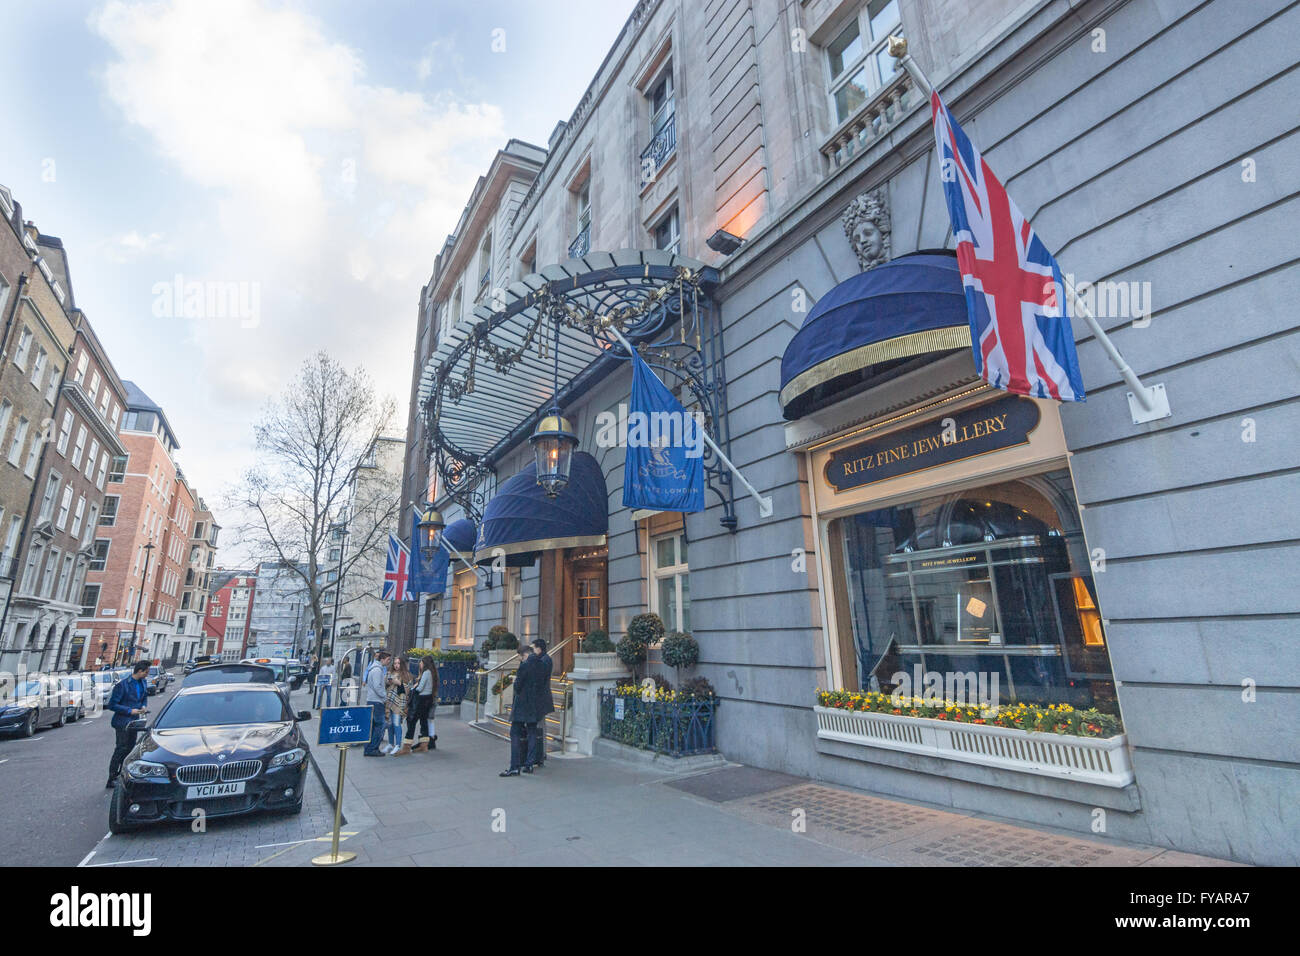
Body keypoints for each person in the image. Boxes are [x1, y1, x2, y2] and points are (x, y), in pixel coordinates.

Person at [501, 644, 544, 777]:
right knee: (532, 732)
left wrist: (516, 684)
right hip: (534, 704)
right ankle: (529, 764)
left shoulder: (525, 665)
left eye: (520, 657)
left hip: (522, 705)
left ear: (524, 654)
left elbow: (518, 686)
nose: (520, 660)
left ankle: (515, 766)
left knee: (515, 733)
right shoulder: (542, 664)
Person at [106, 661, 151, 787]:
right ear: (140, 671)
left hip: (134, 722)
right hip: (122, 722)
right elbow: (112, 705)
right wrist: (129, 710)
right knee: (121, 749)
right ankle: (112, 777)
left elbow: (144, 697)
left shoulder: (143, 682)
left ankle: (124, 774)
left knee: (131, 749)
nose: (147, 674)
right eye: (146, 672)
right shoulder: (123, 685)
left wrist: (143, 706)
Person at [402, 657, 439, 754]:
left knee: (412, 721)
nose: (420, 665)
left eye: (421, 663)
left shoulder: (426, 673)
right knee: (424, 722)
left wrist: (413, 688)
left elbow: (420, 688)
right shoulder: (432, 673)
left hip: (421, 700)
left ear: (425, 663)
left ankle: (407, 746)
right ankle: (424, 745)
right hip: (428, 699)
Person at [529, 638, 555, 769]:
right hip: (541, 697)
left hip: (541, 698)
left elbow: (539, 678)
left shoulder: (544, 660)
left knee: (539, 726)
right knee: (540, 725)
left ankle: (541, 752)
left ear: (539, 648)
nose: (532, 651)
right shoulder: (544, 659)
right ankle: (540, 752)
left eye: (533, 648)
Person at [362, 650, 392, 756]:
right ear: (382, 659)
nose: (389, 662)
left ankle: (369, 748)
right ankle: (373, 748)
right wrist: (384, 697)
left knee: (373, 725)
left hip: (372, 700)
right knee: (380, 725)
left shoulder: (374, 669)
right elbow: (377, 686)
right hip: (377, 701)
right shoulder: (377, 670)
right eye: (388, 659)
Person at [384, 657, 410, 755]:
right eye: (395, 663)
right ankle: (390, 744)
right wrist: (388, 680)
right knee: (390, 725)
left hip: (399, 703)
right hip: (389, 702)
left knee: (396, 724)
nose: (396, 665)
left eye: (398, 663)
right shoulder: (390, 673)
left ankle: (398, 745)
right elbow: (386, 685)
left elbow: (408, 689)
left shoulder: (406, 675)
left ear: (402, 664)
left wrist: (399, 683)